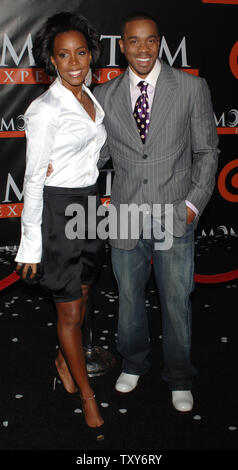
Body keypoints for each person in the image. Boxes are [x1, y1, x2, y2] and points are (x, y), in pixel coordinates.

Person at [93, 12, 219, 412]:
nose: (143, 49)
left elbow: (207, 152)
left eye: (150, 41)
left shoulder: (190, 87)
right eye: (134, 41)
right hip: (126, 214)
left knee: (176, 299)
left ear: (159, 42)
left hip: (174, 212)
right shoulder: (107, 94)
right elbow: (99, 156)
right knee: (129, 297)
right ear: (123, 45)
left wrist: (192, 205)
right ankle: (133, 362)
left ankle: (179, 375)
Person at [15, 12, 106, 428]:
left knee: (84, 295)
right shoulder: (44, 109)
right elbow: (33, 180)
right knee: (69, 311)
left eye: (81, 52)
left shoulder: (89, 96)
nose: (74, 62)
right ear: (51, 60)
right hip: (57, 211)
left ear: (91, 54)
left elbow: (90, 151)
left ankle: (61, 357)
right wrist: (30, 245)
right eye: (64, 55)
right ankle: (87, 396)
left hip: (89, 205)